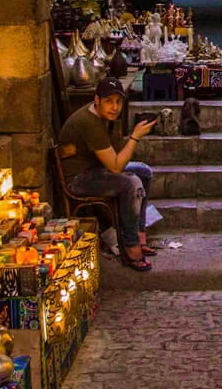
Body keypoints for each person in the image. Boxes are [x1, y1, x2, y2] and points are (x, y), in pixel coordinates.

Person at [57, 79, 157, 271]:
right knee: (131, 183)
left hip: (95, 169)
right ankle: (130, 246)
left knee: (143, 172)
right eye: (109, 101)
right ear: (97, 100)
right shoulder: (89, 122)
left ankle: (139, 233)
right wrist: (135, 137)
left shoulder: (102, 117)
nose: (114, 107)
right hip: (78, 179)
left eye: (118, 102)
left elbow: (113, 159)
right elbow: (116, 166)